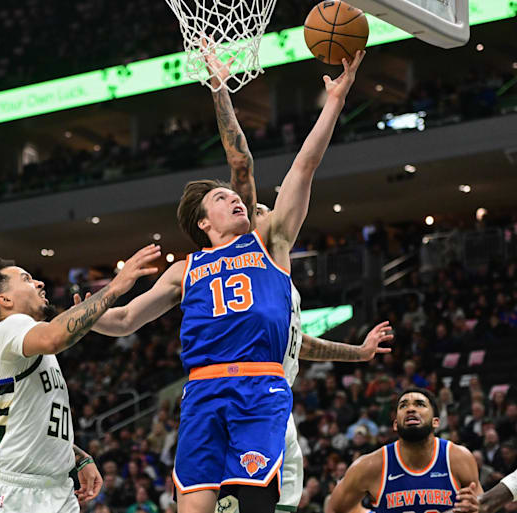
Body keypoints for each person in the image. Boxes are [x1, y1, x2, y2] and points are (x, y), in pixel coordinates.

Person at [91, 50, 366, 513]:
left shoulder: (269, 241)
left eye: (233, 195)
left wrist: (333, 101)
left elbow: (294, 165)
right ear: (203, 223)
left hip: (259, 386)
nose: (235, 200)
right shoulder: (185, 269)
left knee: (252, 505)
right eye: (221, 199)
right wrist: (83, 311)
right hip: (202, 391)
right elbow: (122, 321)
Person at [206, 62, 396, 513]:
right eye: (260, 209)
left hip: (276, 404)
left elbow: (298, 343)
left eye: (266, 209)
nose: (267, 211)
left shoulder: (274, 263)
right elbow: (246, 164)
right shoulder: (229, 256)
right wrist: (219, 88)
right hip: (234, 402)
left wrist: (359, 353)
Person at [0, 246, 160, 513]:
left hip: (58, 489)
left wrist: (76, 456)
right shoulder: (8, 328)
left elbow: (34, 422)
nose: (39, 283)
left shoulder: (33, 346)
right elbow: (55, 337)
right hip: (11, 493)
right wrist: (115, 286)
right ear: (5, 300)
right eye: (26, 279)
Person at [326, 388, 481, 513]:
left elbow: (482, 505)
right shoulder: (370, 465)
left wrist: (476, 509)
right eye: (403, 406)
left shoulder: (458, 458)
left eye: (420, 404)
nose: (411, 409)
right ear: (395, 424)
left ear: (436, 422)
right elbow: (334, 508)